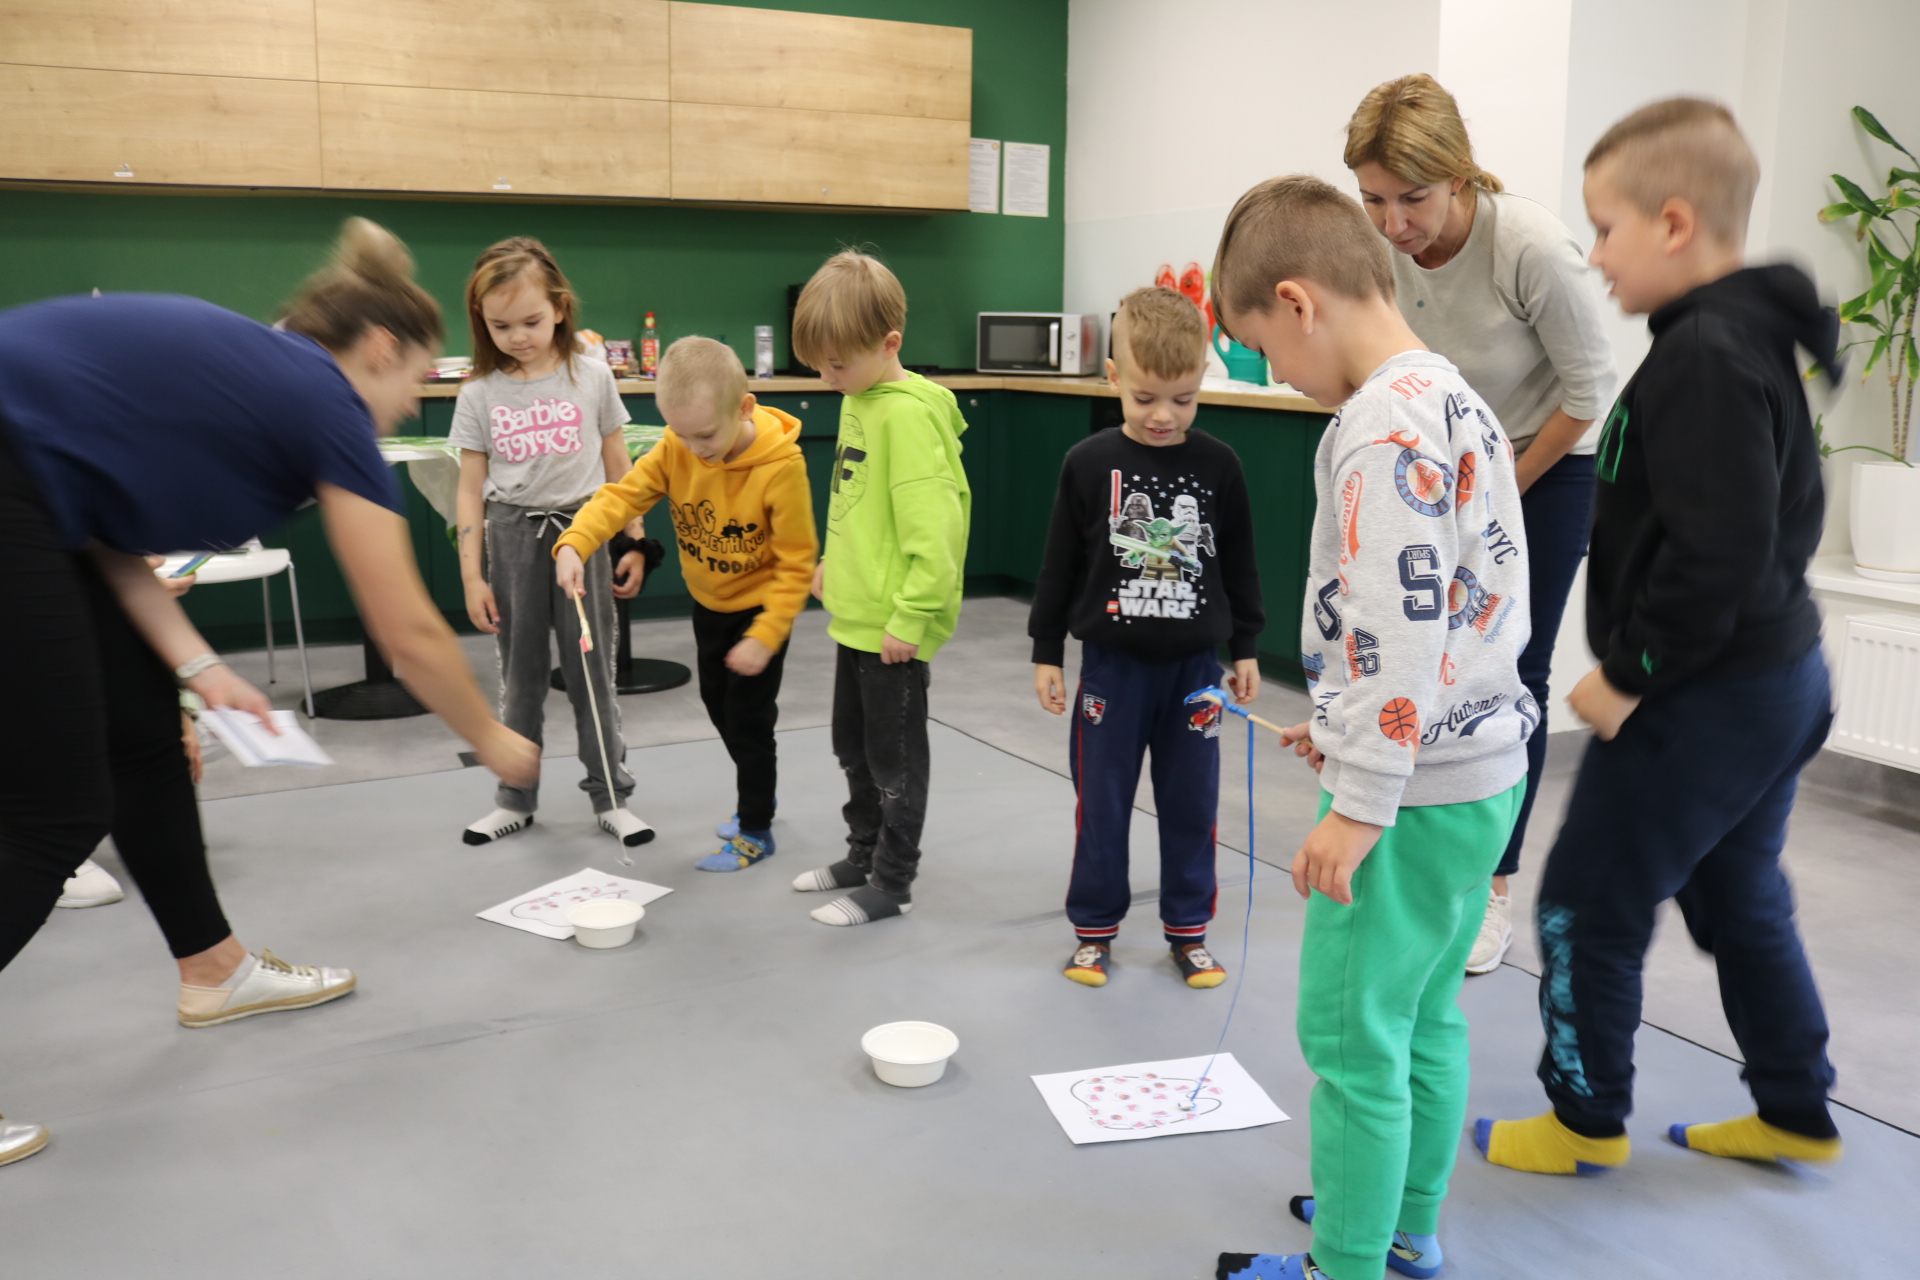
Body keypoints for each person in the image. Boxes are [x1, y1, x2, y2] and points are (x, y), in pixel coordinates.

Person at [0, 217, 539, 1166]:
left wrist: (201, 669)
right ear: (378, 350)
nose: (409, 400)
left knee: (142, 738)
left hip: (38, 501)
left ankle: (213, 969)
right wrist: (494, 741)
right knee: (54, 809)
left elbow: (101, 541)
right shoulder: (320, 396)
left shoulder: (258, 369)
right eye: (415, 377)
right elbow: (407, 629)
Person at [1477, 100, 1845, 1177]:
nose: (1592, 257)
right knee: (1739, 891)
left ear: (1674, 224)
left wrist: (1627, 673)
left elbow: (1718, 554)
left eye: (1604, 230)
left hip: (1705, 696)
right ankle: (1795, 1105)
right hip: (1777, 679)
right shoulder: (1744, 343)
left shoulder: (1705, 359)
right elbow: (1789, 520)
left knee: (1583, 901)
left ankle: (1584, 1119)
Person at [1208, 175, 1533, 1280]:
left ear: (1297, 302)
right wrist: (1345, 729)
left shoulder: (1373, 426)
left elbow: (1398, 618)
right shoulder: (1457, 399)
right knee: (1427, 1012)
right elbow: (1450, 613)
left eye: (1264, 351)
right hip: (1481, 768)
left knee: (1351, 1039)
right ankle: (1409, 1224)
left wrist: (1359, 798)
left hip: (1410, 796)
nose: (1281, 379)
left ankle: (1345, 1264)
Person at [1344, 73, 1617, 975]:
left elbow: (1589, 395)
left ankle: (1490, 888)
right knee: (1423, 649)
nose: (1394, 225)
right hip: (1443, 463)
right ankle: (1412, 837)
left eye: (1412, 199)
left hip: (1548, 462)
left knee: (1508, 668)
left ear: (1459, 177)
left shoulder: (1529, 247)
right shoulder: (1383, 248)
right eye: (1374, 200)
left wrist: (1497, 485)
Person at [1027, 286, 1263, 990]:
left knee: (1192, 807)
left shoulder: (1221, 466)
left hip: (1194, 672)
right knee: (1102, 804)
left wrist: (1245, 645)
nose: (1164, 415)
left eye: (1184, 399)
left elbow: (1240, 562)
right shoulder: (1087, 463)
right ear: (1113, 379)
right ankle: (1094, 934)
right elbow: (1059, 566)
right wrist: (1046, 651)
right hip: (1111, 670)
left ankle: (1188, 933)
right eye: (1146, 397)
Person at [554, 336, 817, 871]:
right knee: (719, 710)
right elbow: (622, 496)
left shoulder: (780, 468)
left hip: (761, 612)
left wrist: (766, 636)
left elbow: (797, 563)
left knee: (748, 721)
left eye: (706, 434)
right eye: (680, 433)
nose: (695, 447)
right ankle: (756, 800)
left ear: (744, 408)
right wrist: (575, 543)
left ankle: (756, 828)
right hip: (710, 605)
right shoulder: (677, 449)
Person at [784, 250, 970, 927]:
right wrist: (838, 563)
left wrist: (912, 615)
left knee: (893, 760)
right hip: (855, 615)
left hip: (894, 628)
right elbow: (858, 504)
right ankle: (861, 853)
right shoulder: (864, 400)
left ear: (889, 344)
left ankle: (892, 882)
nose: (828, 378)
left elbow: (935, 532)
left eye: (839, 364)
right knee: (851, 744)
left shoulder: (909, 418)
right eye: (820, 365)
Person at [451, 238, 651, 849]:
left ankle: (611, 795)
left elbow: (620, 462)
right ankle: (515, 797)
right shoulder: (478, 392)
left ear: (560, 308)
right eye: (501, 324)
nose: (518, 335)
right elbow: (469, 490)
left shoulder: (591, 376)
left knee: (592, 667)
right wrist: (472, 575)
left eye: (531, 320)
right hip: (512, 534)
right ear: (482, 322)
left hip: (584, 532)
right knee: (522, 673)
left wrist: (635, 543)